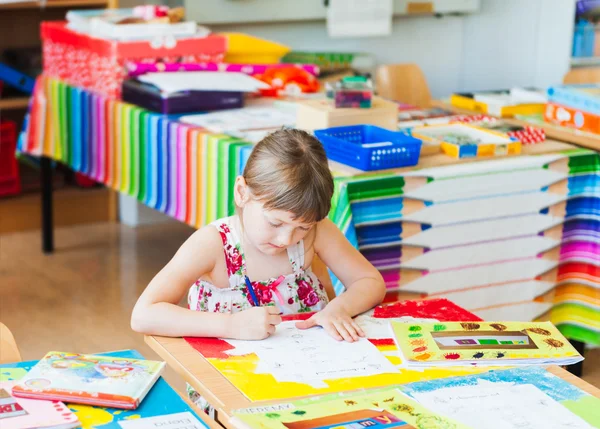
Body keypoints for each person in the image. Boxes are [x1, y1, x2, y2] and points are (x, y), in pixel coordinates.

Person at [131, 128, 385, 343]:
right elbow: (144, 315)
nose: (287, 239)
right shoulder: (212, 244)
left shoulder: (317, 232)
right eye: (275, 222)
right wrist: (229, 326)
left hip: (307, 368)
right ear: (242, 192)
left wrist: (338, 308)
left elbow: (370, 281)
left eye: (302, 227)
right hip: (228, 378)